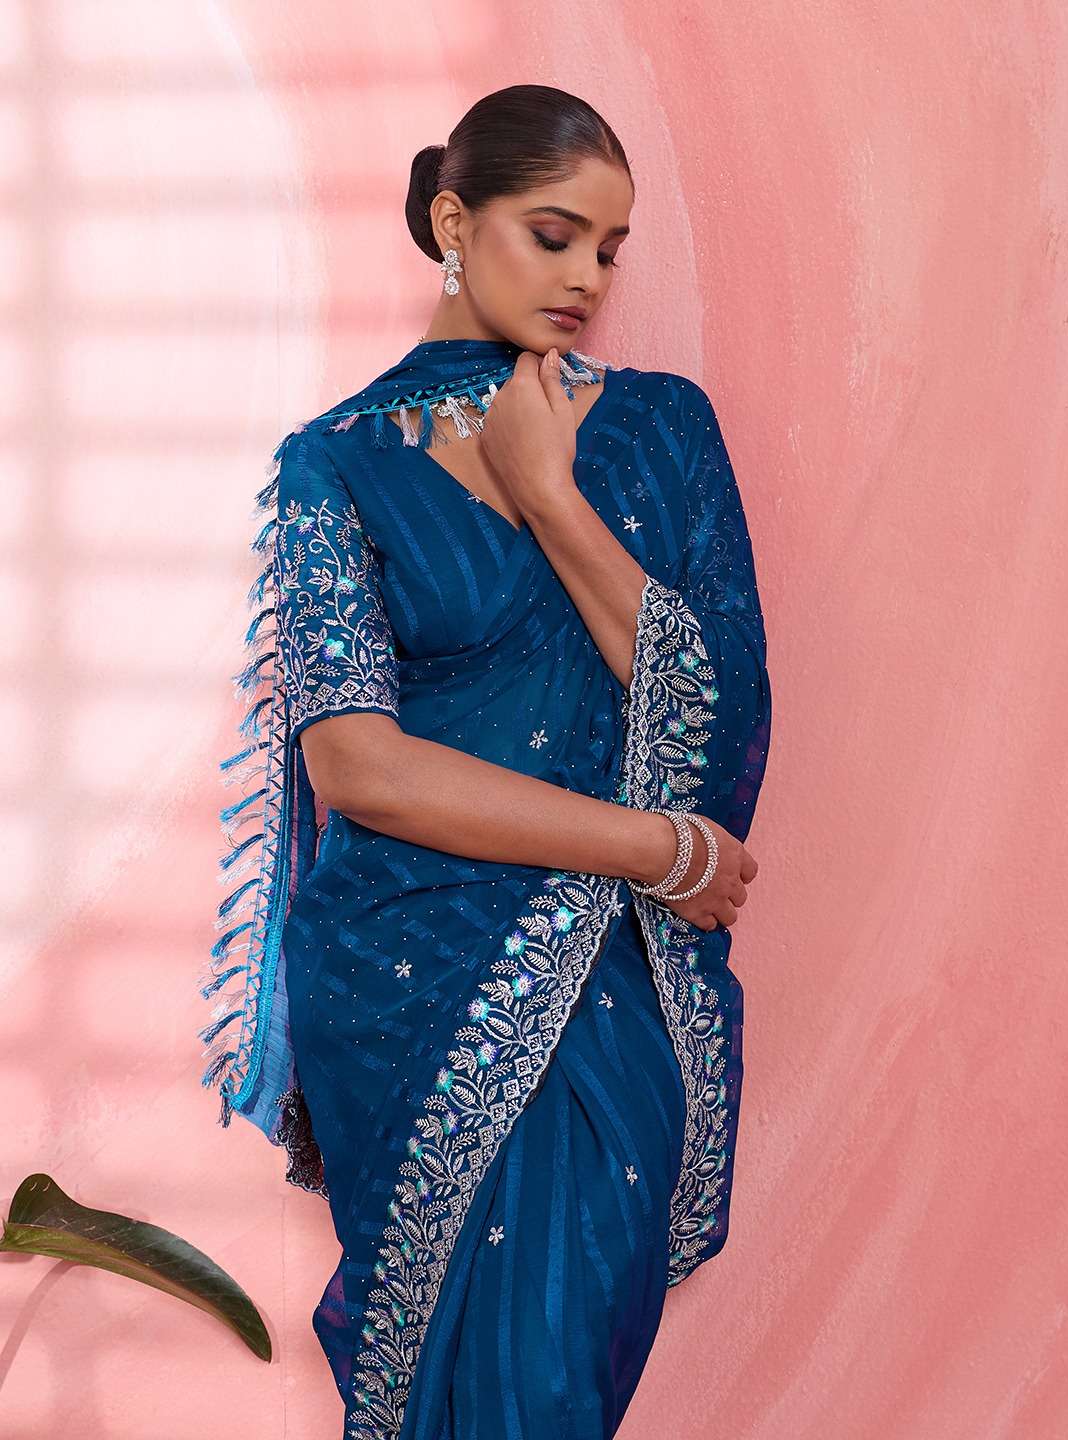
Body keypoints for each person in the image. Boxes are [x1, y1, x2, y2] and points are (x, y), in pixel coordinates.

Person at [197, 83, 772, 1440]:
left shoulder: (660, 432)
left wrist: (552, 496)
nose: (587, 279)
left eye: (609, 250)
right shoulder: (336, 466)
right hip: (401, 980)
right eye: (553, 235)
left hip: (606, 986)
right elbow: (359, 770)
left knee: (542, 1383)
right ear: (454, 223)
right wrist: (650, 847)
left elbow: (711, 722)